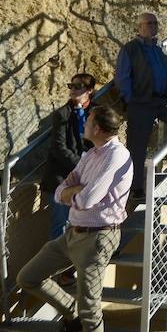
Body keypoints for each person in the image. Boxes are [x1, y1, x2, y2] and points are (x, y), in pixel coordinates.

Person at [16, 106, 134, 332]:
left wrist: (75, 193)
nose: (84, 125)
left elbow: (86, 198)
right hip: (72, 233)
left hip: (98, 237)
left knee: (91, 310)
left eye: (89, 121)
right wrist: (75, 193)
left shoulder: (116, 156)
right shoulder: (90, 154)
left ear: (97, 128)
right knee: (27, 277)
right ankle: (70, 314)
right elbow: (61, 191)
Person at [116, 13, 167, 203]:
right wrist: (130, 99)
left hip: (165, 101)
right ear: (139, 27)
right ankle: (136, 188)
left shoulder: (161, 48)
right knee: (137, 145)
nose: (153, 26)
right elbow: (122, 77)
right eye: (148, 23)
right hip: (141, 102)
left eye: (155, 23)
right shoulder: (130, 49)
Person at [43, 73, 95, 238]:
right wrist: (81, 166)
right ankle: (57, 263)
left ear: (89, 90)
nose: (73, 90)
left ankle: (75, 262)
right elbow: (59, 148)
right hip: (62, 177)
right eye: (71, 86)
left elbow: (100, 143)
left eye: (78, 86)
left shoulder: (97, 113)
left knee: (84, 226)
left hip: (88, 178)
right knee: (61, 226)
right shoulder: (62, 114)